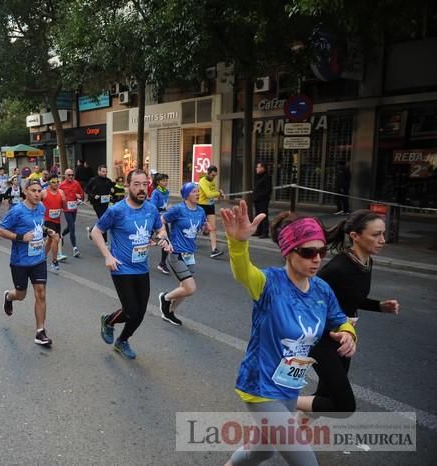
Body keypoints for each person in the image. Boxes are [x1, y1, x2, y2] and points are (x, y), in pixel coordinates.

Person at [219, 201, 357, 466]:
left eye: (321, 252)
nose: (316, 259)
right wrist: (238, 244)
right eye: (307, 252)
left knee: (262, 451)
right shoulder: (268, 284)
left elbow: (340, 320)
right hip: (260, 386)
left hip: (291, 385)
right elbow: (243, 273)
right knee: (306, 462)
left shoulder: (321, 290)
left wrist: (348, 334)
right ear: (288, 252)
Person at [296, 209, 400, 417]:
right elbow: (307, 300)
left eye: (383, 233)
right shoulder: (338, 269)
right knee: (341, 403)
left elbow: (350, 297)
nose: (382, 240)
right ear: (355, 236)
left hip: (344, 339)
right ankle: (277, 398)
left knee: (325, 395)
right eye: (375, 234)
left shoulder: (365, 261)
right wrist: (332, 327)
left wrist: (380, 306)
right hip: (322, 339)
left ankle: (288, 438)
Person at [92, 169, 172, 359]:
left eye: (144, 184)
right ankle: (109, 321)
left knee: (140, 313)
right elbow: (96, 231)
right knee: (130, 310)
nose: (141, 188)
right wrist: (107, 256)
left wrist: (162, 238)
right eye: (137, 184)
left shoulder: (151, 209)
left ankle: (122, 340)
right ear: (128, 186)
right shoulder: (116, 210)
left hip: (141, 267)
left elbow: (160, 229)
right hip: (121, 267)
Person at [0, 179, 58, 346]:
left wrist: (47, 231)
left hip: (38, 260)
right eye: (33, 190)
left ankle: (40, 332)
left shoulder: (41, 208)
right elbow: (0, 230)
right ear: (25, 191)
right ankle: (9, 296)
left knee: (41, 293)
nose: (37, 194)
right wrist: (20, 237)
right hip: (20, 261)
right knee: (20, 295)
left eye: (39, 190)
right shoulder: (17, 211)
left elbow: (38, 226)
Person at [158, 182, 207, 326]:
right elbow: (160, 221)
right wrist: (164, 236)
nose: (198, 194)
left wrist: (206, 228)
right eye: (194, 192)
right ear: (186, 195)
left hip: (190, 253)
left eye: (198, 191)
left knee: (184, 287)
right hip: (176, 253)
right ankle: (165, 298)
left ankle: (169, 312)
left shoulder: (200, 211)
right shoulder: (178, 209)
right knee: (190, 288)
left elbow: (201, 228)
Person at [41, 173, 67, 273]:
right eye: (53, 182)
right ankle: (54, 261)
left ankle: (42, 257)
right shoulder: (44, 193)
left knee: (50, 240)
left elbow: (64, 207)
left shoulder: (61, 192)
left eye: (57, 182)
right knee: (55, 237)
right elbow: (36, 203)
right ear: (48, 183)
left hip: (57, 220)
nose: (56, 184)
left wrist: (64, 201)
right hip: (47, 220)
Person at [198, 165, 225, 258]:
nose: (214, 177)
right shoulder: (202, 181)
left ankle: (214, 250)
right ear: (208, 173)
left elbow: (213, 193)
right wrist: (218, 193)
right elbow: (209, 194)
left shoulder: (212, 181)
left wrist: (220, 194)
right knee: (195, 226)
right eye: (212, 175)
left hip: (210, 206)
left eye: (215, 175)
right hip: (201, 206)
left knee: (213, 228)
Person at [59, 168, 84, 257]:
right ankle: (75, 248)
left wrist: (80, 198)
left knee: (70, 226)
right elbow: (59, 197)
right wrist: (60, 206)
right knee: (72, 227)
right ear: (65, 175)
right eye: (69, 175)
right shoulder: (62, 185)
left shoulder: (76, 183)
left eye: (72, 175)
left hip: (74, 209)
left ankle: (61, 235)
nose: (71, 176)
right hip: (66, 209)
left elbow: (81, 194)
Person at [85, 164, 114, 243]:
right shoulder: (93, 180)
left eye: (106, 172)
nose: (105, 173)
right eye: (103, 171)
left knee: (103, 220)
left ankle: (92, 230)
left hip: (105, 203)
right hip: (96, 204)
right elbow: (87, 190)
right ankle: (105, 241)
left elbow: (112, 190)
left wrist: (111, 194)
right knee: (103, 219)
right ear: (98, 171)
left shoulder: (108, 180)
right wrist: (94, 196)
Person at [150, 173, 171, 274]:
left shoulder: (166, 191)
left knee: (167, 240)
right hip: (156, 218)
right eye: (163, 181)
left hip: (163, 218)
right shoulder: (156, 192)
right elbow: (153, 207)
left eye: (166, 180)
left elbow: (165, 205)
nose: (165, 182)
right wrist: (157, 217)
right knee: (142, 239)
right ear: (158, 182)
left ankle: (162, 263)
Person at [252, 162, 272, 238]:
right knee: (257, 216)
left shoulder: (267, 177)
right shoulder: (258, 177)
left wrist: (260, 196)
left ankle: (265, 232)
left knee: (263, 216)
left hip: (263, 200)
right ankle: (258, 231)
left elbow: (268, 190)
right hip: (257, 200)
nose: (257, 168)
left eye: (258, 167)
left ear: (263, 168)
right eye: (257, 167)